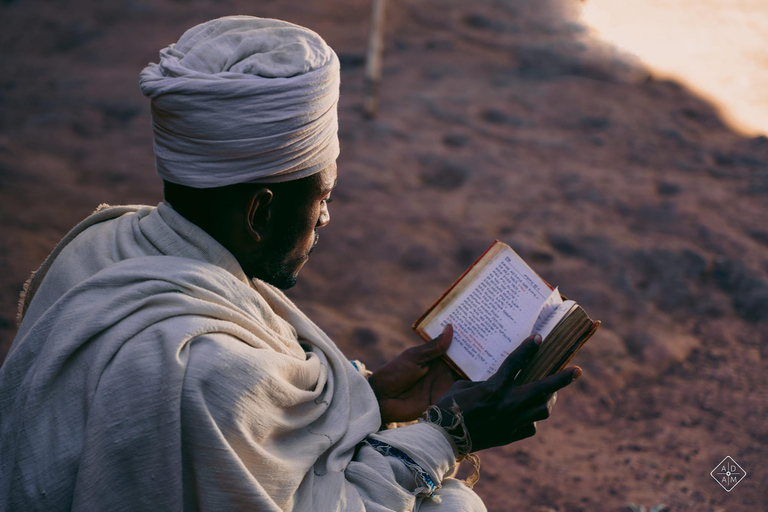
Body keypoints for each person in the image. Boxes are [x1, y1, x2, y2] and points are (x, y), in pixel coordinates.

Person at [0, 16, 581, 511]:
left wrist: (372, 396)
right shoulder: (201, 365)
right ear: (259, 213)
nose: (326, 219)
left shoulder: (101, 243)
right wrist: (450, 434)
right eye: (321, 199)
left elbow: (254, 434)